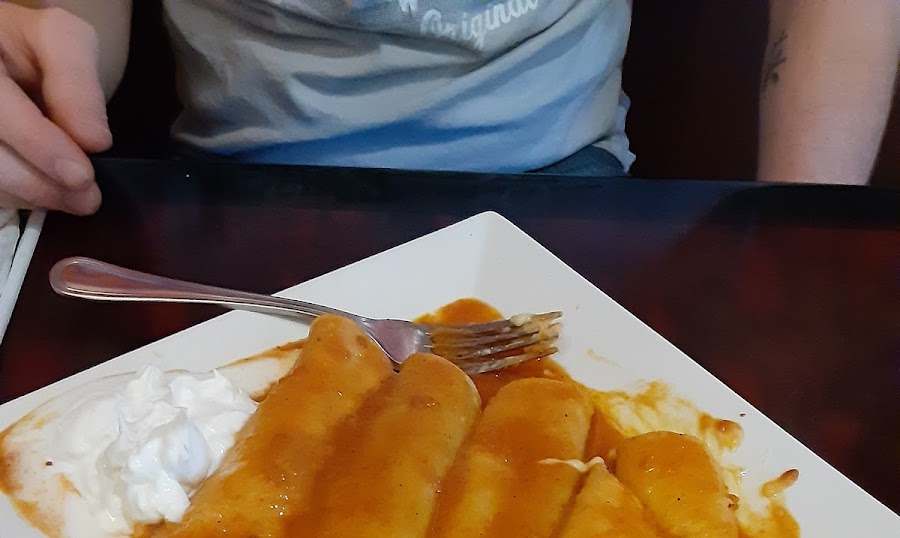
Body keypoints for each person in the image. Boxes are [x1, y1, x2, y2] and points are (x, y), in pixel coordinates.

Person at [0, 0, 897, 217]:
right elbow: (70, 18)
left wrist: (811, 230)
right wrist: (45, 62)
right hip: (244, 190)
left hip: (568, 184)